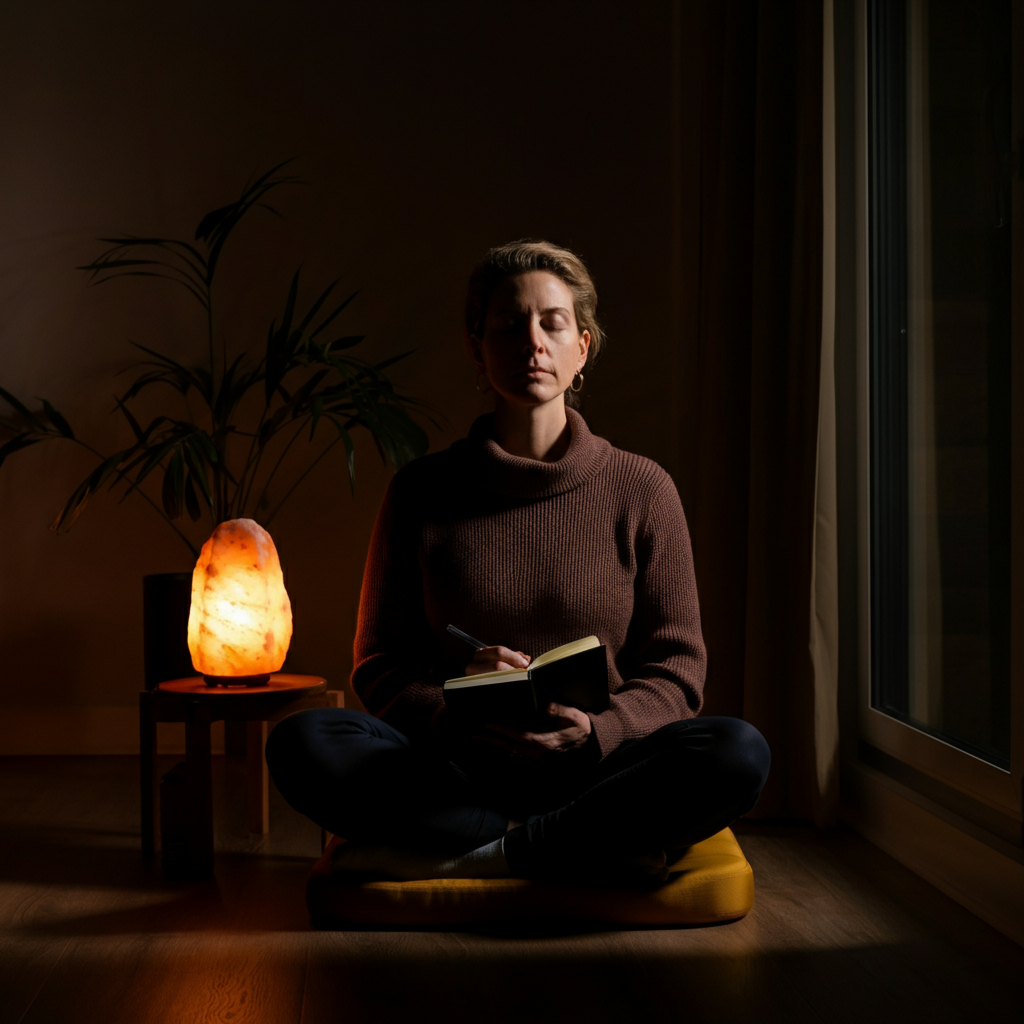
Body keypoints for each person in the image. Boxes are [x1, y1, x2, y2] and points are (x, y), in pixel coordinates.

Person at [266, 240, 769, 885]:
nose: (532, 341)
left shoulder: (644, 488)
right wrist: (455, 705)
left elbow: (678, 669)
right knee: (303, 742)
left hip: (599, 766)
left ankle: (494, 850)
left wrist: (597, 731)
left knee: (737, 752)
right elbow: (380, 663)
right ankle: (559, 845)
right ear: (477, 348)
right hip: (457, 769)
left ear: (581, 346)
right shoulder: (421, 491)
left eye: (552, 323)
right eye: (508, 324)